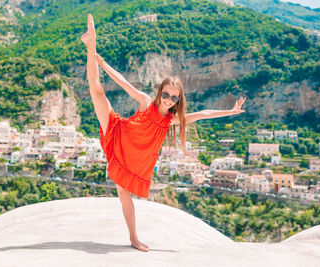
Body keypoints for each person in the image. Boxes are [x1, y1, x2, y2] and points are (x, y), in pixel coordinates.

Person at [81, 14, 246, 252]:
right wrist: (102, 63)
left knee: (124, 195)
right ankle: (91, 43)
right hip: (118, 133)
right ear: (160, 93)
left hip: (131, 159)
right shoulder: (146, 102)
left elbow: (202, 114)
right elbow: (125, 83)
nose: (169, 100)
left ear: (178, 100)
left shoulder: (170, 121)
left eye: (174, 97)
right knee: (96, 90)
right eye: (166, 95)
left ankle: (133, 238)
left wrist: (230, 111)